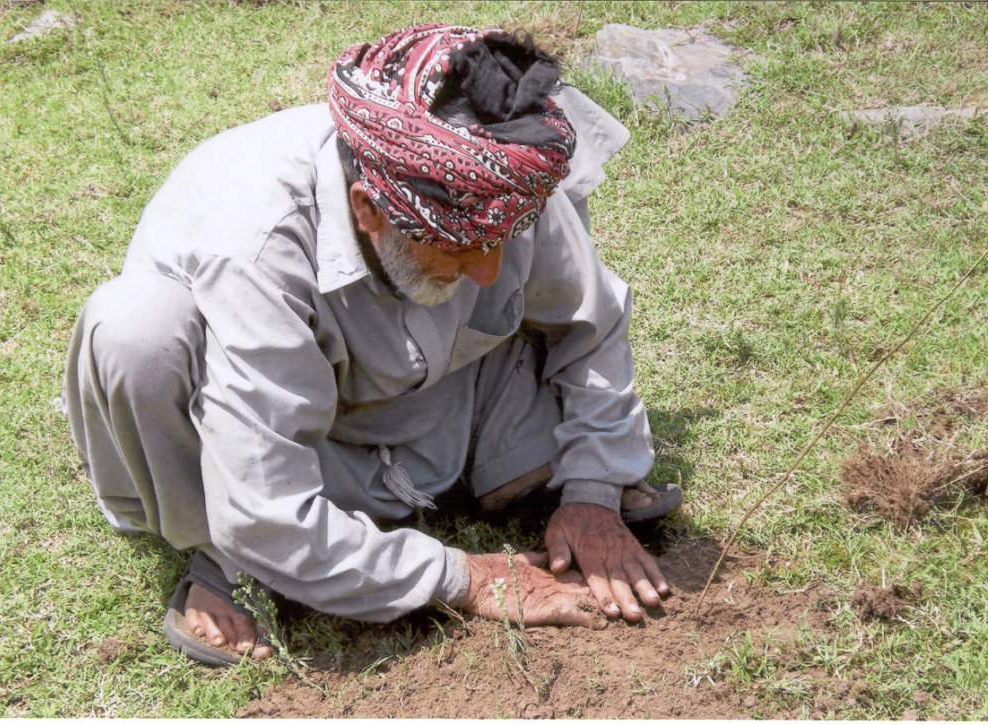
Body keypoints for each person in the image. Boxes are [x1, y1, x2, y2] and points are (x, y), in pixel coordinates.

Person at [64, 23, 683, 666]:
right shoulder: (252, 244)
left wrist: (593, 491)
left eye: (501, 239)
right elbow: (266, 495)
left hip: (447, 395)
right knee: (135, 329)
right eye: (461, 248)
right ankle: (224, 558)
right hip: (265, 432)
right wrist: (461, 577)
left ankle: (515, 468)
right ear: (369, 210)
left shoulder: (496, 168)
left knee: (579, 437)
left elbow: (590, 327)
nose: (488, 270)